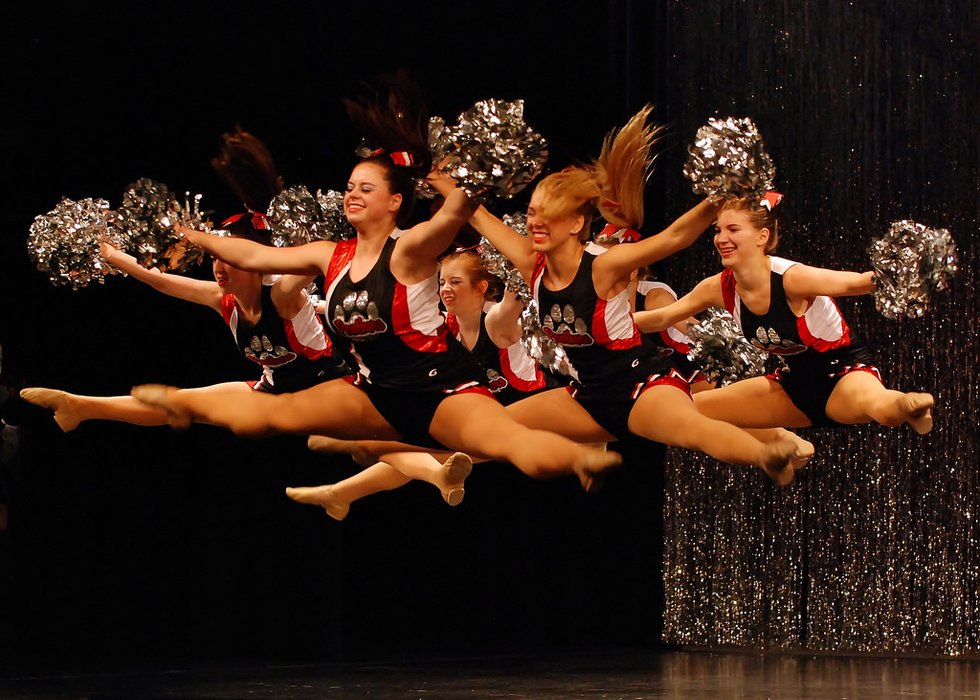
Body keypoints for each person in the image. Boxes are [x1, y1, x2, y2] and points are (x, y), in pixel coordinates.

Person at [128, 83, 620, 489]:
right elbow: (254, 256)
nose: (352, 195)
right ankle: (179, 402)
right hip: (375, 392)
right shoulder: (331, 254)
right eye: (349, 187)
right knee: (272, 414)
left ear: (395, 202)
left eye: (366, 188)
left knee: (506, 442)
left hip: (442, 392)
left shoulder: (410, 249)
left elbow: (453, 214)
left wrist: (467, 179)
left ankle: (580, 459)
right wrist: (192, 235)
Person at [433, 105, 809, 485]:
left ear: (576, 223)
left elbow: (675, 237)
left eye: (548, 214)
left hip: (640, 388)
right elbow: (476, 215)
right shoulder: (533, 266)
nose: (534, 223)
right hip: (588, 396)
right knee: (496, 425)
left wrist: (719, 195)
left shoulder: (605, 265)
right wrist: (440, 178)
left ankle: (767, 455)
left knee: (693, 429)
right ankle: (435, 468)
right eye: (531, 213)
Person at [289, 247, 568, 518]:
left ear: (482, 287)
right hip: (487, 423)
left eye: (455, 282)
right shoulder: (441, 326)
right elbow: (381, 313)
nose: (445, 289)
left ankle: (342, 493)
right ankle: (341, 494)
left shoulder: (495, 322)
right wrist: (312, 305)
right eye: (442, 282)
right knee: (409, 443)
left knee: (413, 446)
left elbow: (516, 294)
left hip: (534, 415)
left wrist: (530, 256)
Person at [632, 193, 934, 433]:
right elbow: (663, 317)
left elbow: (855, 282)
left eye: (733, 229)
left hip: (843, 375)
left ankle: (911, 406)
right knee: (686, 407)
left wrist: (905, 270)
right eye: (718, 230)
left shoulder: (791, 278)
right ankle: (786, 449)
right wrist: (612, 325)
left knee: (880, 408)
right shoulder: (718, 288)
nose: (721, 238)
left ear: (762, 236)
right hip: (789, 385)